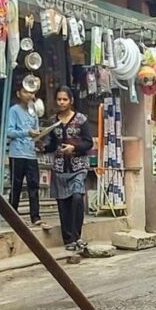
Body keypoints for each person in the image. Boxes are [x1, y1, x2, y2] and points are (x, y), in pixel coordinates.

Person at [45, 86, 93, 252]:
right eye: (59, 99)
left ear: (71, 101)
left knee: (77, 198)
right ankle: (68, 240)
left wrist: (74, 148)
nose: (62, 102)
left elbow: (88, 142)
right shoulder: (53, 121)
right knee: (63, 204)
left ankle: (77, 235)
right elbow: (51, 144)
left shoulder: (81, 119)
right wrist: (41, 146)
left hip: (78, 166)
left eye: (65, 99)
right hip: (59, 168)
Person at [6, 83, 49, 229]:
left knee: (34, 185)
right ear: (18, 93)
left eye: (31, 92)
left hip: (31, 154)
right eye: (26, 92)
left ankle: (35, 216)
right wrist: (26, 133)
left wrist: (39, 141)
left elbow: (35, 132)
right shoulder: (14, 110)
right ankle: (12, 213)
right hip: (17, 154)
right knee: (16, 185)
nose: (29, 95)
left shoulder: (34, 113)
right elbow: (9, 132)